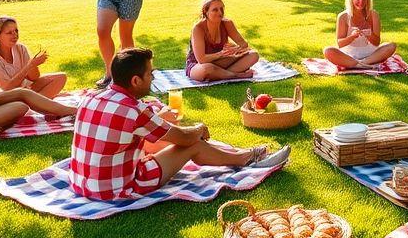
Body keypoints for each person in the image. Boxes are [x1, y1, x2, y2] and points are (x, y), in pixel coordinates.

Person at [69, 48, 290, 201]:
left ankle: (240, 154)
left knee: (155, 144)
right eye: (150, 74)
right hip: (119, 189)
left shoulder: (90, 96)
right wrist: (199, 129)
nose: (153, 79)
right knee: (192, 144)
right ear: (135, 81)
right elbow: (184, 138)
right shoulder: (134, 111)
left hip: (83, 183)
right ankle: (247, 159)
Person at [0, 16, 67, 97]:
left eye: (16, 30)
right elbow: (7, 88)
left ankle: (37, 102)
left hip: (26, 90)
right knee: (26, 95)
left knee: (61, 77)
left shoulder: (20, 48)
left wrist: (34, 64)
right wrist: (29, 65)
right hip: (8, 96)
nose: (15, 34)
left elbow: (34, 78)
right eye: (9, 33)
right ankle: (39, 102)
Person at [186, 0, 260, 81]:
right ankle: (236, 75)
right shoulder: (198, 28)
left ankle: (219, 75)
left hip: (221, 62)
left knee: (254, 55)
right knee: (206, 69)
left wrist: (236, 50)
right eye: (215, 10)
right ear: (206, 11)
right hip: (199, 65)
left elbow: (244, 44)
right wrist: (222, 54)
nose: (220, 12)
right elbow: (201, 59)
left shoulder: (227, 23)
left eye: (221, 9)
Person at [323, 0, 397, 69]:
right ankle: (363, 65)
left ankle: (360, 64)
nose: (361, 2)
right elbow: (340, 44)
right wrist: (352, 37)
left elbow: (376, 42)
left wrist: (369, 35)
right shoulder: (343, 16)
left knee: (392, 46)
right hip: (348, 55)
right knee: (328, 51)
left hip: (370, 54)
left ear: (368, 1)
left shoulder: (374, 15)